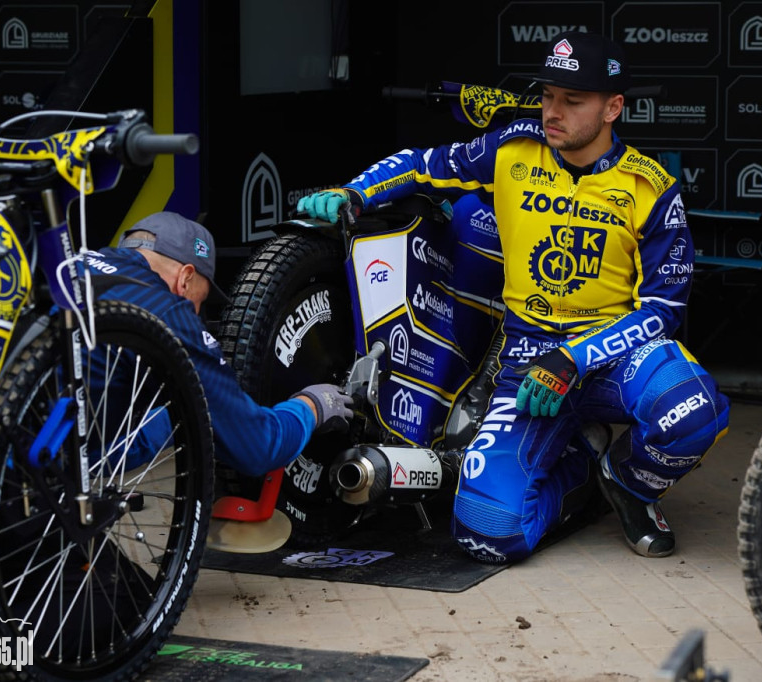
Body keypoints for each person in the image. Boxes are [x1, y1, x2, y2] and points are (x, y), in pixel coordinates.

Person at [296, 31, 730, 563]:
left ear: (613, 107)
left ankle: (630, 484)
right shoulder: (512, 147)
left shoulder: (651, 187)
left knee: (693, 409)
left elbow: (664, 309)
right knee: (486, 532)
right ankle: (582, 463)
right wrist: (354, 192)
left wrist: (575, 357)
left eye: (573, 101)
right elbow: (423, 163)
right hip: (526, 359)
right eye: (548, 95)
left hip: (613, 356)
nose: (554, 111)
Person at [84, 211, 353, 478]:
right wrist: (312, 406)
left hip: (53, 449)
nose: (196, 313)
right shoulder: (166, 311)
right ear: (185, 278)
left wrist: (177, 418)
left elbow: (96, 450)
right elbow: (258, 446)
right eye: (199, 302)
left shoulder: (71, 263)